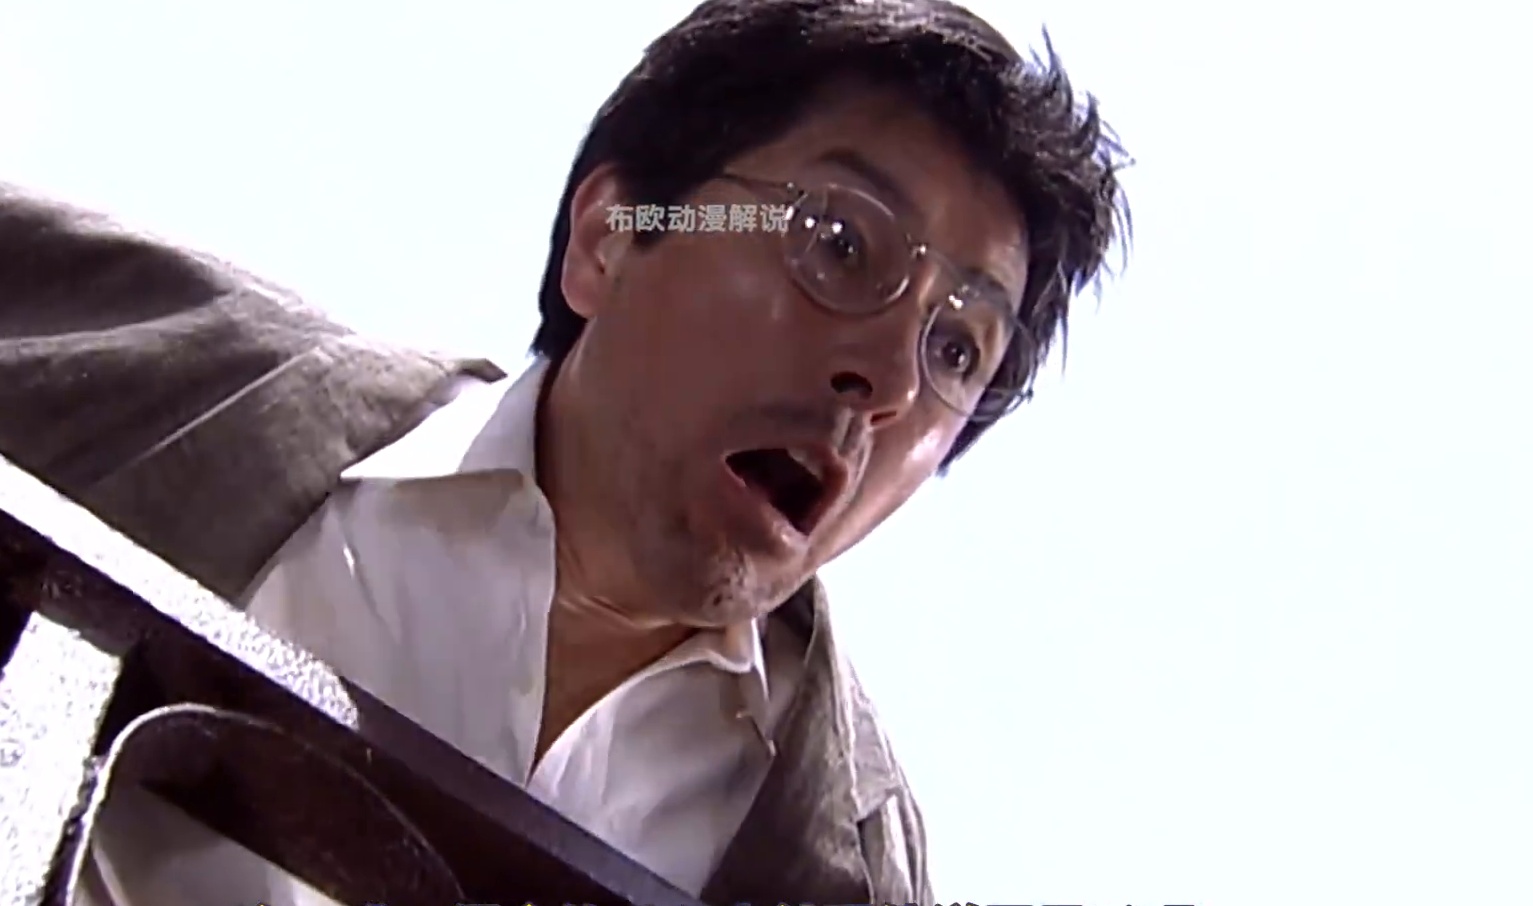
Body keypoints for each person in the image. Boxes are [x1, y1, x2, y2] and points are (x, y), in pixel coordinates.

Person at [0, 0, 1129, 903]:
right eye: (838, 242)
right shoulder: (147, 352)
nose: (886, 380)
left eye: (957, 349)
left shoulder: (850, 861)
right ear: (609, 238)